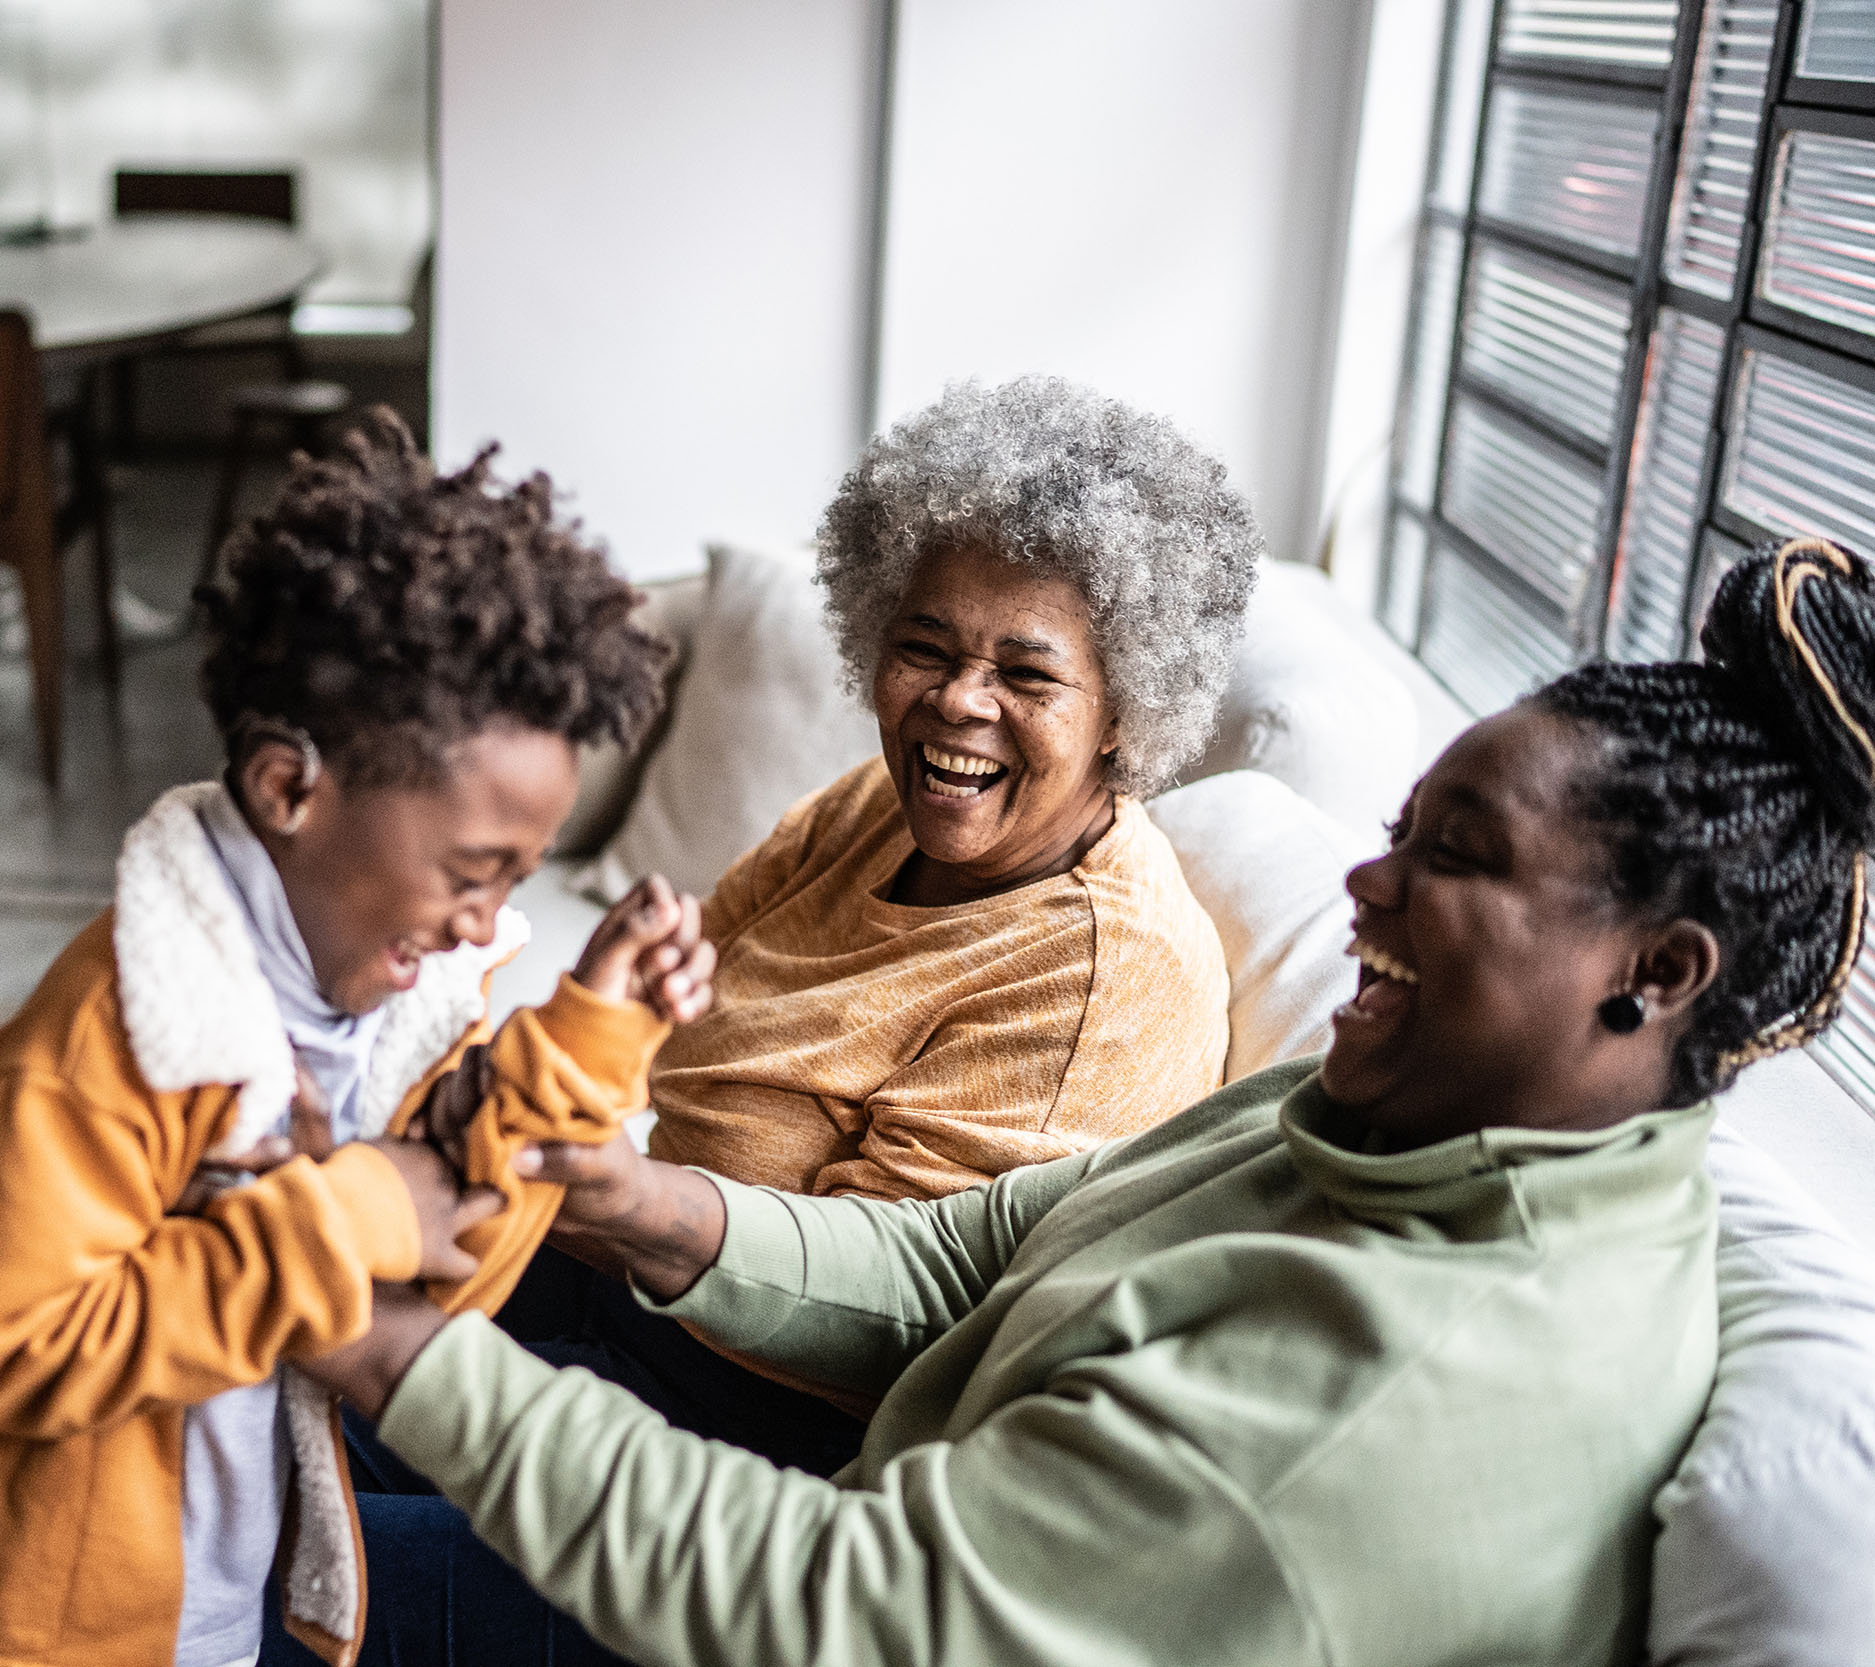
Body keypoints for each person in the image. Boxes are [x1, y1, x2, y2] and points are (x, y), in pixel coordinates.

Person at [280, 539, 1875, 1667]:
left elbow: (846, 1601)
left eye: (1449, 858)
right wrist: (638, 1197)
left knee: (214, 1561)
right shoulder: (1394, 1115)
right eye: (1400, 828)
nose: (1364, 883)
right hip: (858, 1529)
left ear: (1653, 973)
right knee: (210, 1412)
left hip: (826, 1589)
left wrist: (398, 1353)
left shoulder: (1374, 1406)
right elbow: (967, 1255)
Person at [0, 409, 713, 1667]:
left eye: (520, 876)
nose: (490, 922)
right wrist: (344, 1213)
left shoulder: (392, 1002)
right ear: (289, 788)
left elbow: (441, 1290)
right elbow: (24, 1354)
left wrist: (584, 1047)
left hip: (248, 1593)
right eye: (472, 870)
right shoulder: (108, 1041)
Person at [501, 375, 1258, 1462]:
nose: (958, 699)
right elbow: (678, 1001)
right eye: (927, 647)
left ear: (1125, 713)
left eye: (1025, 672)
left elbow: (877, 1318)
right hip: (611, 1277)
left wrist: (612, 1200)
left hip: (751, 1436)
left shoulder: (1107, 980)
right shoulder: (877, 804)